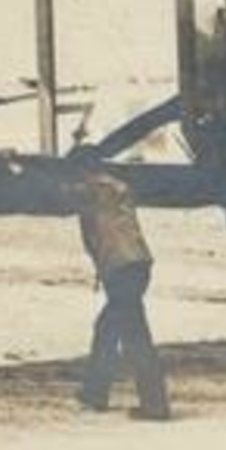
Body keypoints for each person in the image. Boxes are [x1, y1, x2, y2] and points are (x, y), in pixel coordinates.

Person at [69, 170, 170, 419]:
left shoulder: (95, 188)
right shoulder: (116, 187)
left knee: (134, 336)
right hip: (135, 265)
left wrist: (16, 166)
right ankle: (95, 393)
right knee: (108, 329)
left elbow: (58, 193)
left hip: (121, 268)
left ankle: (155, 406)